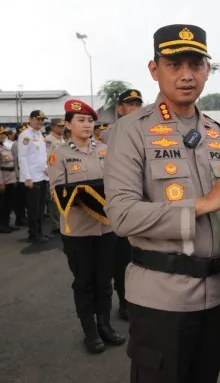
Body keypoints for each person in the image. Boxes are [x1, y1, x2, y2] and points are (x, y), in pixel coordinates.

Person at [104, 24, 220, 383]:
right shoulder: (130, 130)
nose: (186, 75)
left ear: (207, 70)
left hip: (214, 296)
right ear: (155, 69)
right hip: (160, 300)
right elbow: (121, 215)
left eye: (196, 64)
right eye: (174, 64)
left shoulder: (217, 132)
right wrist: (201, 203)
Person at [48, 99, 125, 354]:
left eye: (90, 120)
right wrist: (85, 194)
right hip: (78, 231)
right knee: (84, 282)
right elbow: (56, 191)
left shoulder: (104, 150)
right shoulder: (59, 155)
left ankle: (104, 325)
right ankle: (89, 331)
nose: (87, 125)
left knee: (105, 280)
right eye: (81, 120)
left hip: (106, 228)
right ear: (68, 124)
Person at [101, 88, 144, 321]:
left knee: (137, 255)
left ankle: (135, 300)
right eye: (130, 104)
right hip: (116, 202)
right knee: (118, 260)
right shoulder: (107, 135)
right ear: (120, 109)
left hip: (139, 202)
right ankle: (122, 300)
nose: (134, 109)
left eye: (138, 104)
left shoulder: (149, 132)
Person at [18, 110, 50, 243]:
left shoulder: (40, 135)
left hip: (42, 176)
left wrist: (47, 169)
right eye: (37, 119)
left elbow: (42, 155)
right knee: (33, 208)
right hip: (32, 178)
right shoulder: (25, 135)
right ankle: (33, 234)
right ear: (30, 120)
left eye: (42, 120)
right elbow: (22, 157)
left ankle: (39, 232)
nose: (40, 122)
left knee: (41, 207)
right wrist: (27, 177)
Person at [45, 118, 67, 233]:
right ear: (53, 127)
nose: (61, 128)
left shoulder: (62, 139)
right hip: (54, 171)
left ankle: (61, 220)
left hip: (63, 171)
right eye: (59, 126)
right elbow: (48, 157)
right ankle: (55, 224)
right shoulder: (49, 140)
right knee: (54, 198)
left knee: (62, 195)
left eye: (63, 126)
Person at [0, 126, 19, 233]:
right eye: (0, 134)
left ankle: (6, 223)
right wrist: (0, 182)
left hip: (10, 177)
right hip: (3, 178)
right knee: (2, 203)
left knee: (8, 202)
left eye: (3, 133)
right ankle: (2, 224)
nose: (2, 135)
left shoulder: (5, 147)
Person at [12, 124, 28, 226]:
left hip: (24, 174)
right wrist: (17, 175)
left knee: (24, 198)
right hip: (18, 174)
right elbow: (15, 162)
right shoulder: (16, 145)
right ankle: (20, 218)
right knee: (20, 199)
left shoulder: (22, 144)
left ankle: (22, 216)